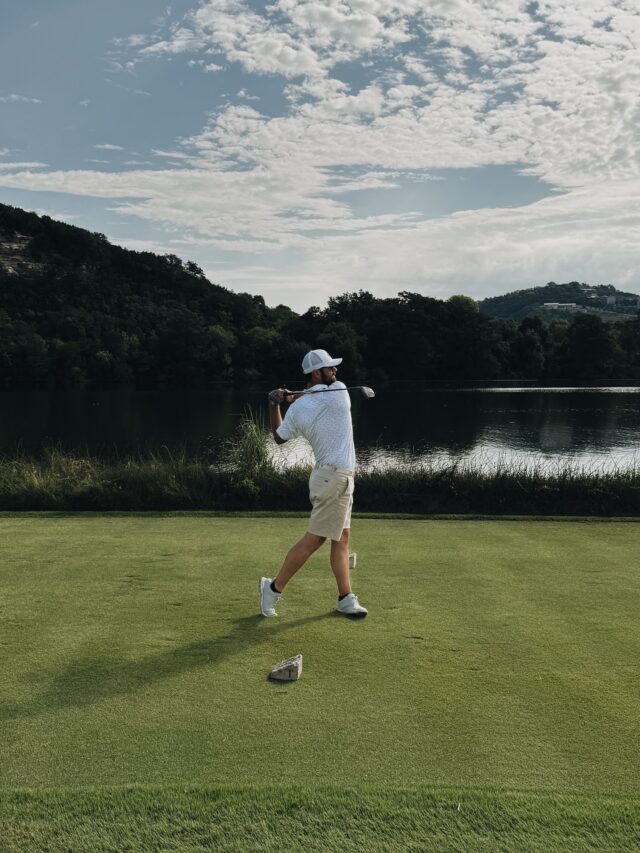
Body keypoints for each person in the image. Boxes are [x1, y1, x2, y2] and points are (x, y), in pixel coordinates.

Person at [259, 348, 368, 619]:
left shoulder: (298, 407)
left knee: (341, 539)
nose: (336, 371)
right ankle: (272, 589)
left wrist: (276, 404)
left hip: (335, 477)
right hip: (333, 478)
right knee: (315, 539)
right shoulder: (339, 392)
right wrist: (297, 396)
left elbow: (279, 437)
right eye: (331, 367)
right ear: (318, 373)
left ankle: (345, 597)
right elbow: (322, 394)